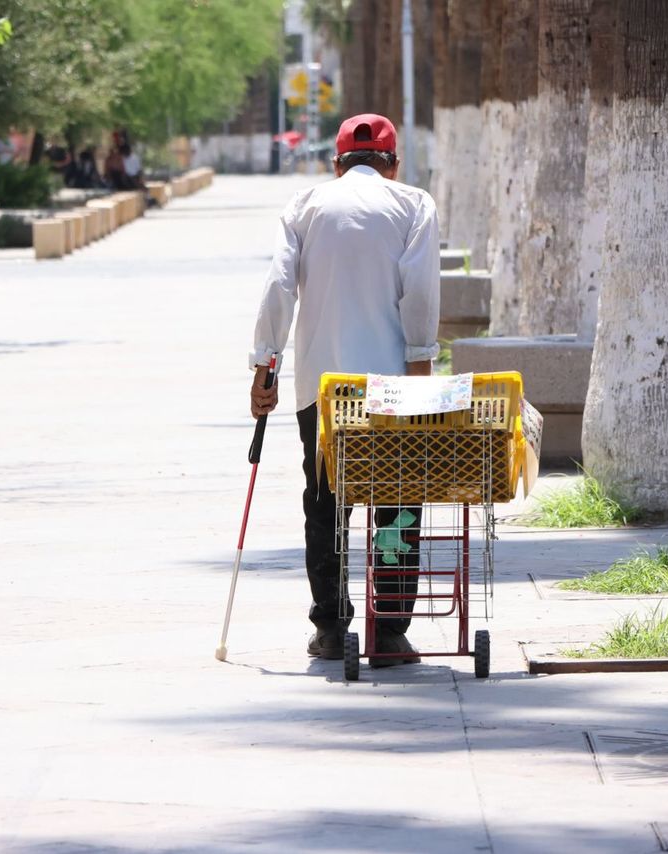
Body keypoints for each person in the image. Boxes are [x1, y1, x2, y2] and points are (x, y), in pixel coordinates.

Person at [248, 113, 440, 667]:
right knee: (399, 501)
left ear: (336, 164)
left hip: (323, 385)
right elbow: (421, 293)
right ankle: (389, 631)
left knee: (326, 500)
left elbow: (279, 285)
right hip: (392, 388)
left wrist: (266, 368)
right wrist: (421, 366)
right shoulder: (414, 205)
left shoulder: (304, 206)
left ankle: (331, 628)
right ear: (394, 162)